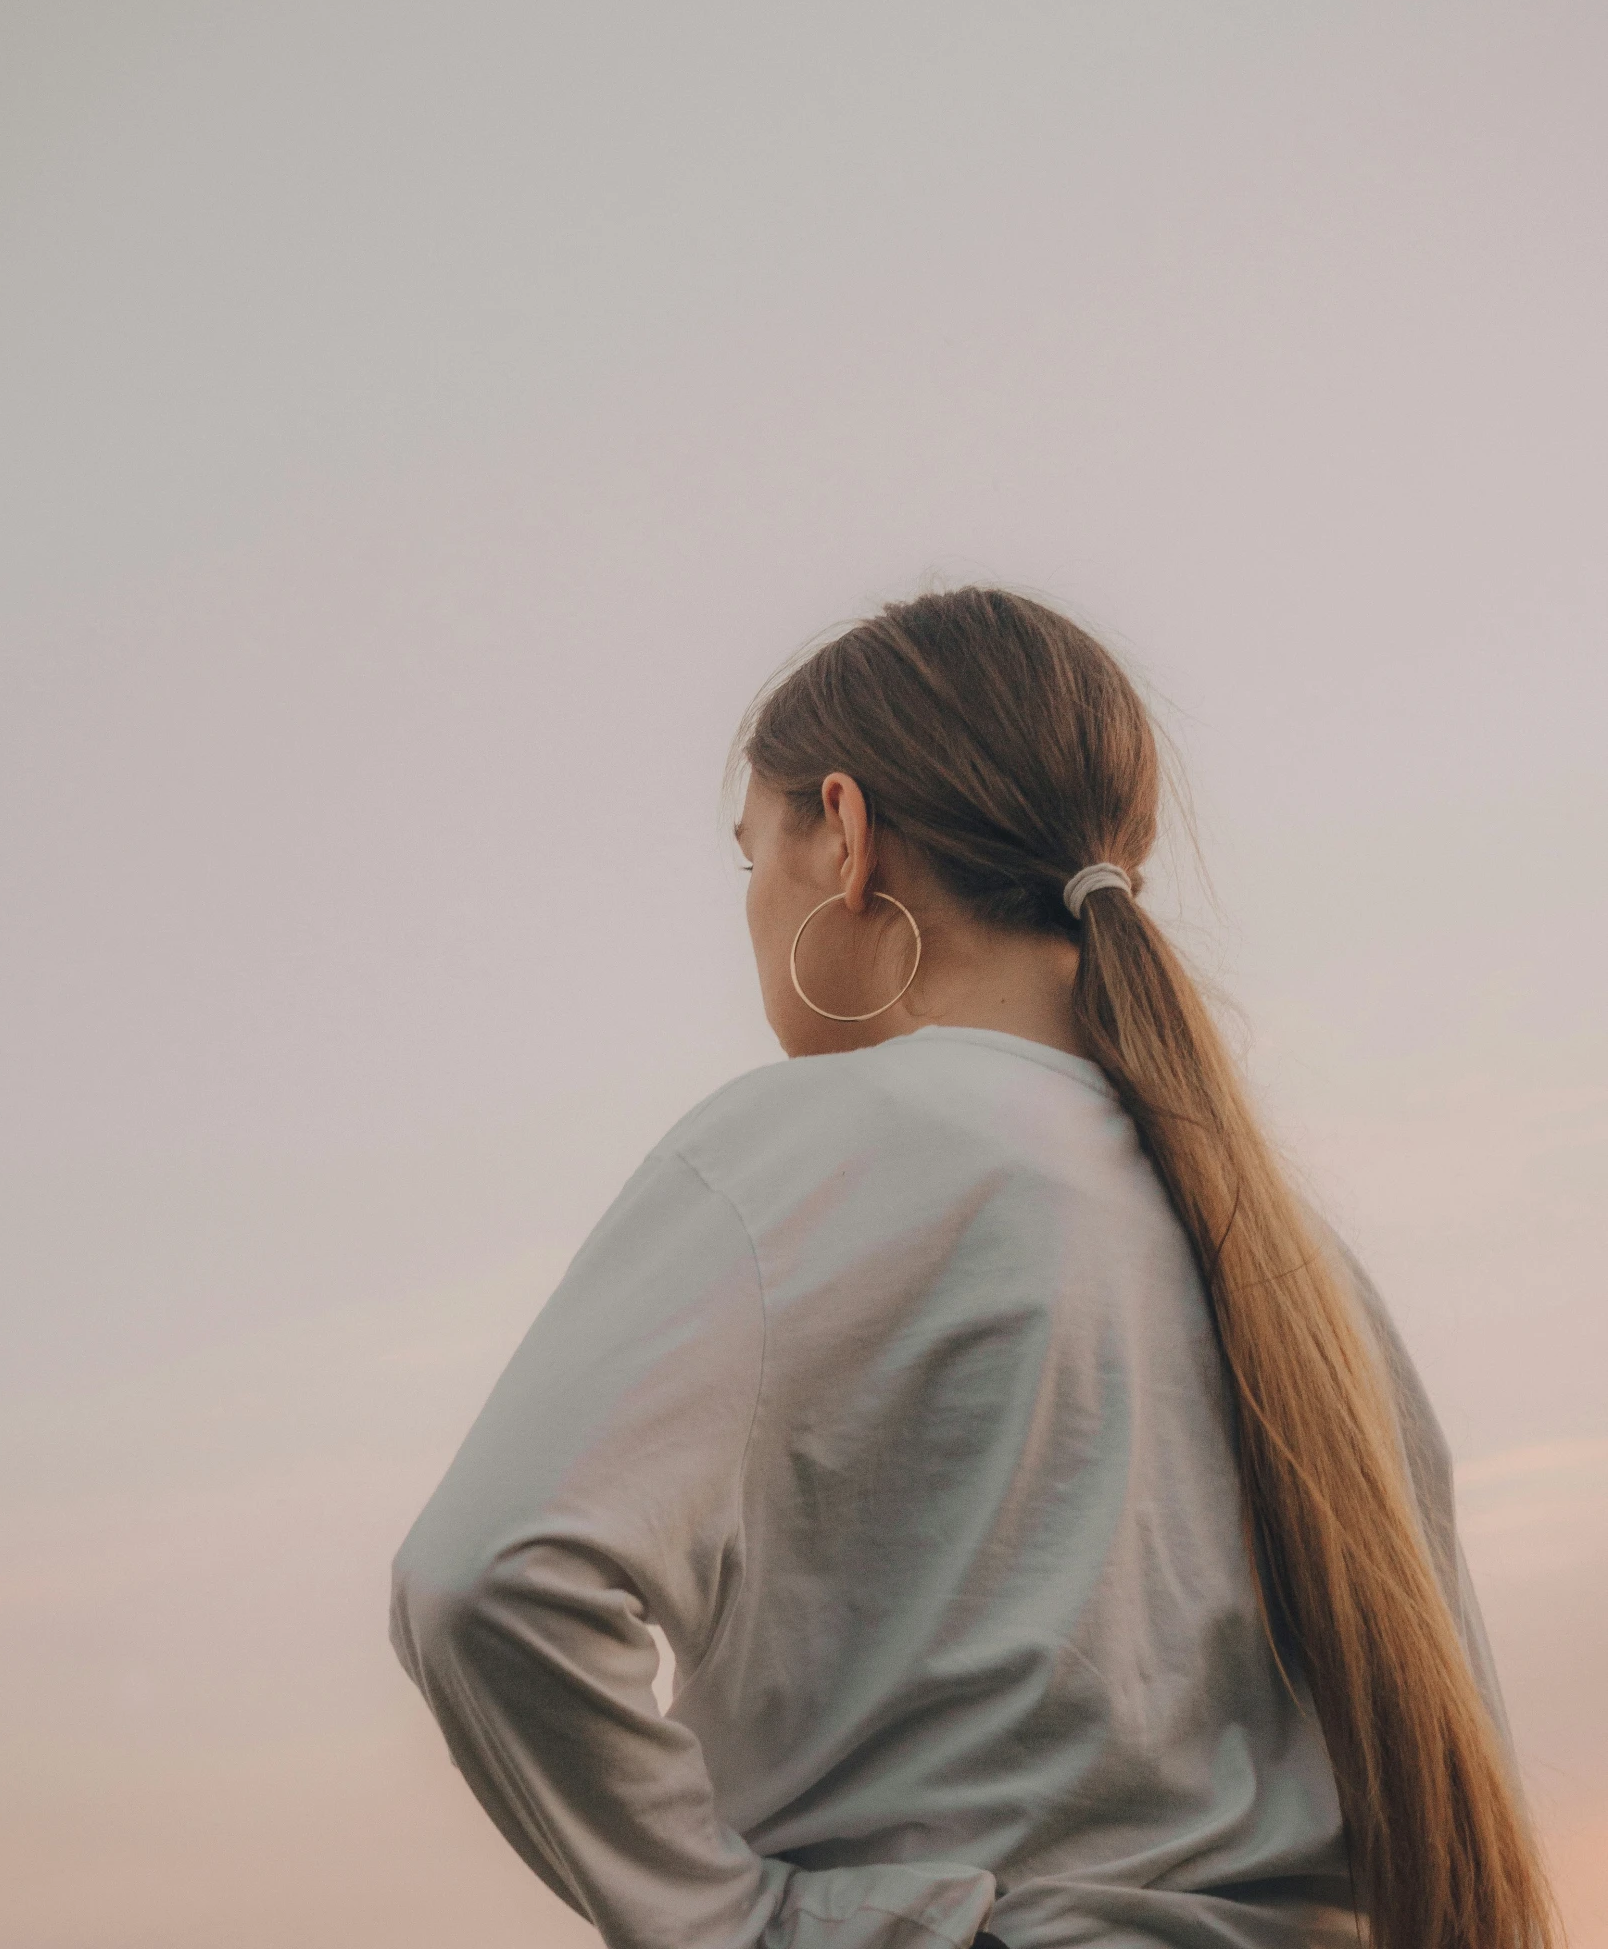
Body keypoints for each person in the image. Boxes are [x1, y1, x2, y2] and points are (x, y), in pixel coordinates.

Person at [389, 586, 1552, 1949]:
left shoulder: (820, 1140)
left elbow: (483, 1579)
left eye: (750, 852)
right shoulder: (1298, 1260)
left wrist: (739, 1923)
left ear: (844, 833)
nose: (750, 908)